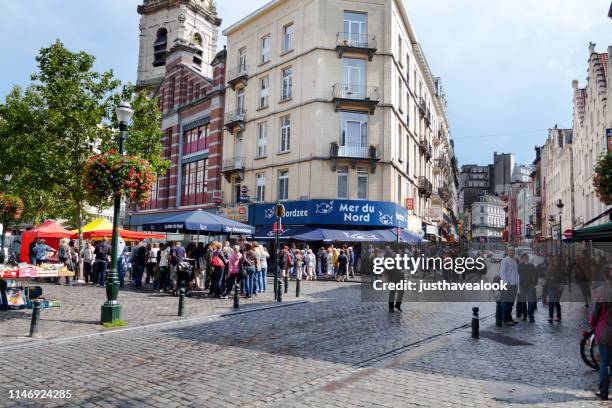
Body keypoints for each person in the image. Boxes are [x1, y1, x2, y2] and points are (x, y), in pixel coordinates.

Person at [589, 264, 612, 401]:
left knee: (605, 363)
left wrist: (592, 324)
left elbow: (594, 315)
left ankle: (604, 391)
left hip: (605, 332)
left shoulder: (600, 292)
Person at [498, 247, 519, 326]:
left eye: (513, 250)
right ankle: (505, 319)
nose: (511, 252)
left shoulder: (514, 261)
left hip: (514, 285)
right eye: (510, 250)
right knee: (506, 302)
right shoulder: (505, 260)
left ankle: (509, 318)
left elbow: (516, 273)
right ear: (507, 251)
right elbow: (502, 272)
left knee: (511, 303)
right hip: (508, 285)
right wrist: (506, 283)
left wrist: (517, 283)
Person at [516, 253, 537, 322]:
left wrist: (535, 283)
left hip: (530, 285)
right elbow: (519, 273)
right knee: (523, 302)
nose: (526, 259)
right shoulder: (520, 266)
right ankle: (524, 315)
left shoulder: (531, 265)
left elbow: (535, 274)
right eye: (524, 258)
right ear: (522, 259)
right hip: (522, 286)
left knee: (530, 301)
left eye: (527, 257)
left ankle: (531, 316)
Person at [546, 255, 564, 323]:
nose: (556, 262)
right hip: (551, 287)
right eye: (554, 260)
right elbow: (546, 277)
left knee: (556, 302)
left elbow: (563, 279)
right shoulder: (549, 268)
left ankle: (558, 316)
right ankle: (550, 317)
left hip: (558, 287)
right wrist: (550, 278)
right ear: (552, 261)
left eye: (557, 260)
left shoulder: (561, 269)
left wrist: (561, 286)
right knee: (551, 302)